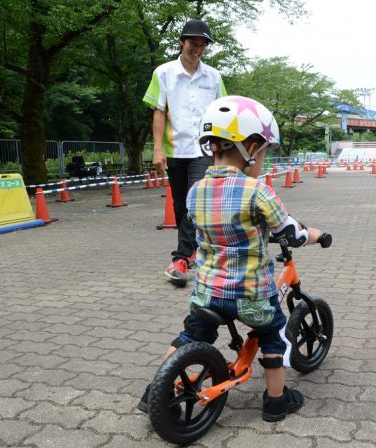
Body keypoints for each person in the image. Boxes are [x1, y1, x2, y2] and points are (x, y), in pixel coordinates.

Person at [137, 95, 323, 421]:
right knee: (275, 334)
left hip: (207, 291)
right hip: (249, 295)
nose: (263, 158)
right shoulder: (258, 191)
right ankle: (277, 401)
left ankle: (156, 389)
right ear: (250, 146)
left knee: (191, 335)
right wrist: (317, 235)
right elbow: (291, 232)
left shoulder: (195, 191)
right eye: (264, 150)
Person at [143, 19, 227, 286]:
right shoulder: (164, 73)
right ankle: (195, 249)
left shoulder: (213, 77)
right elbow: (159, 112)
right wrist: (157, 149)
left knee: (194, 202)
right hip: (174, 149)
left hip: (203, 151)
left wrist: (224, 150)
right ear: (182, 41)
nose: (198, 49)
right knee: (181, 207)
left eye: (203, 45)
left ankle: (180, 258)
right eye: (193, 43)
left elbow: (222, 112)